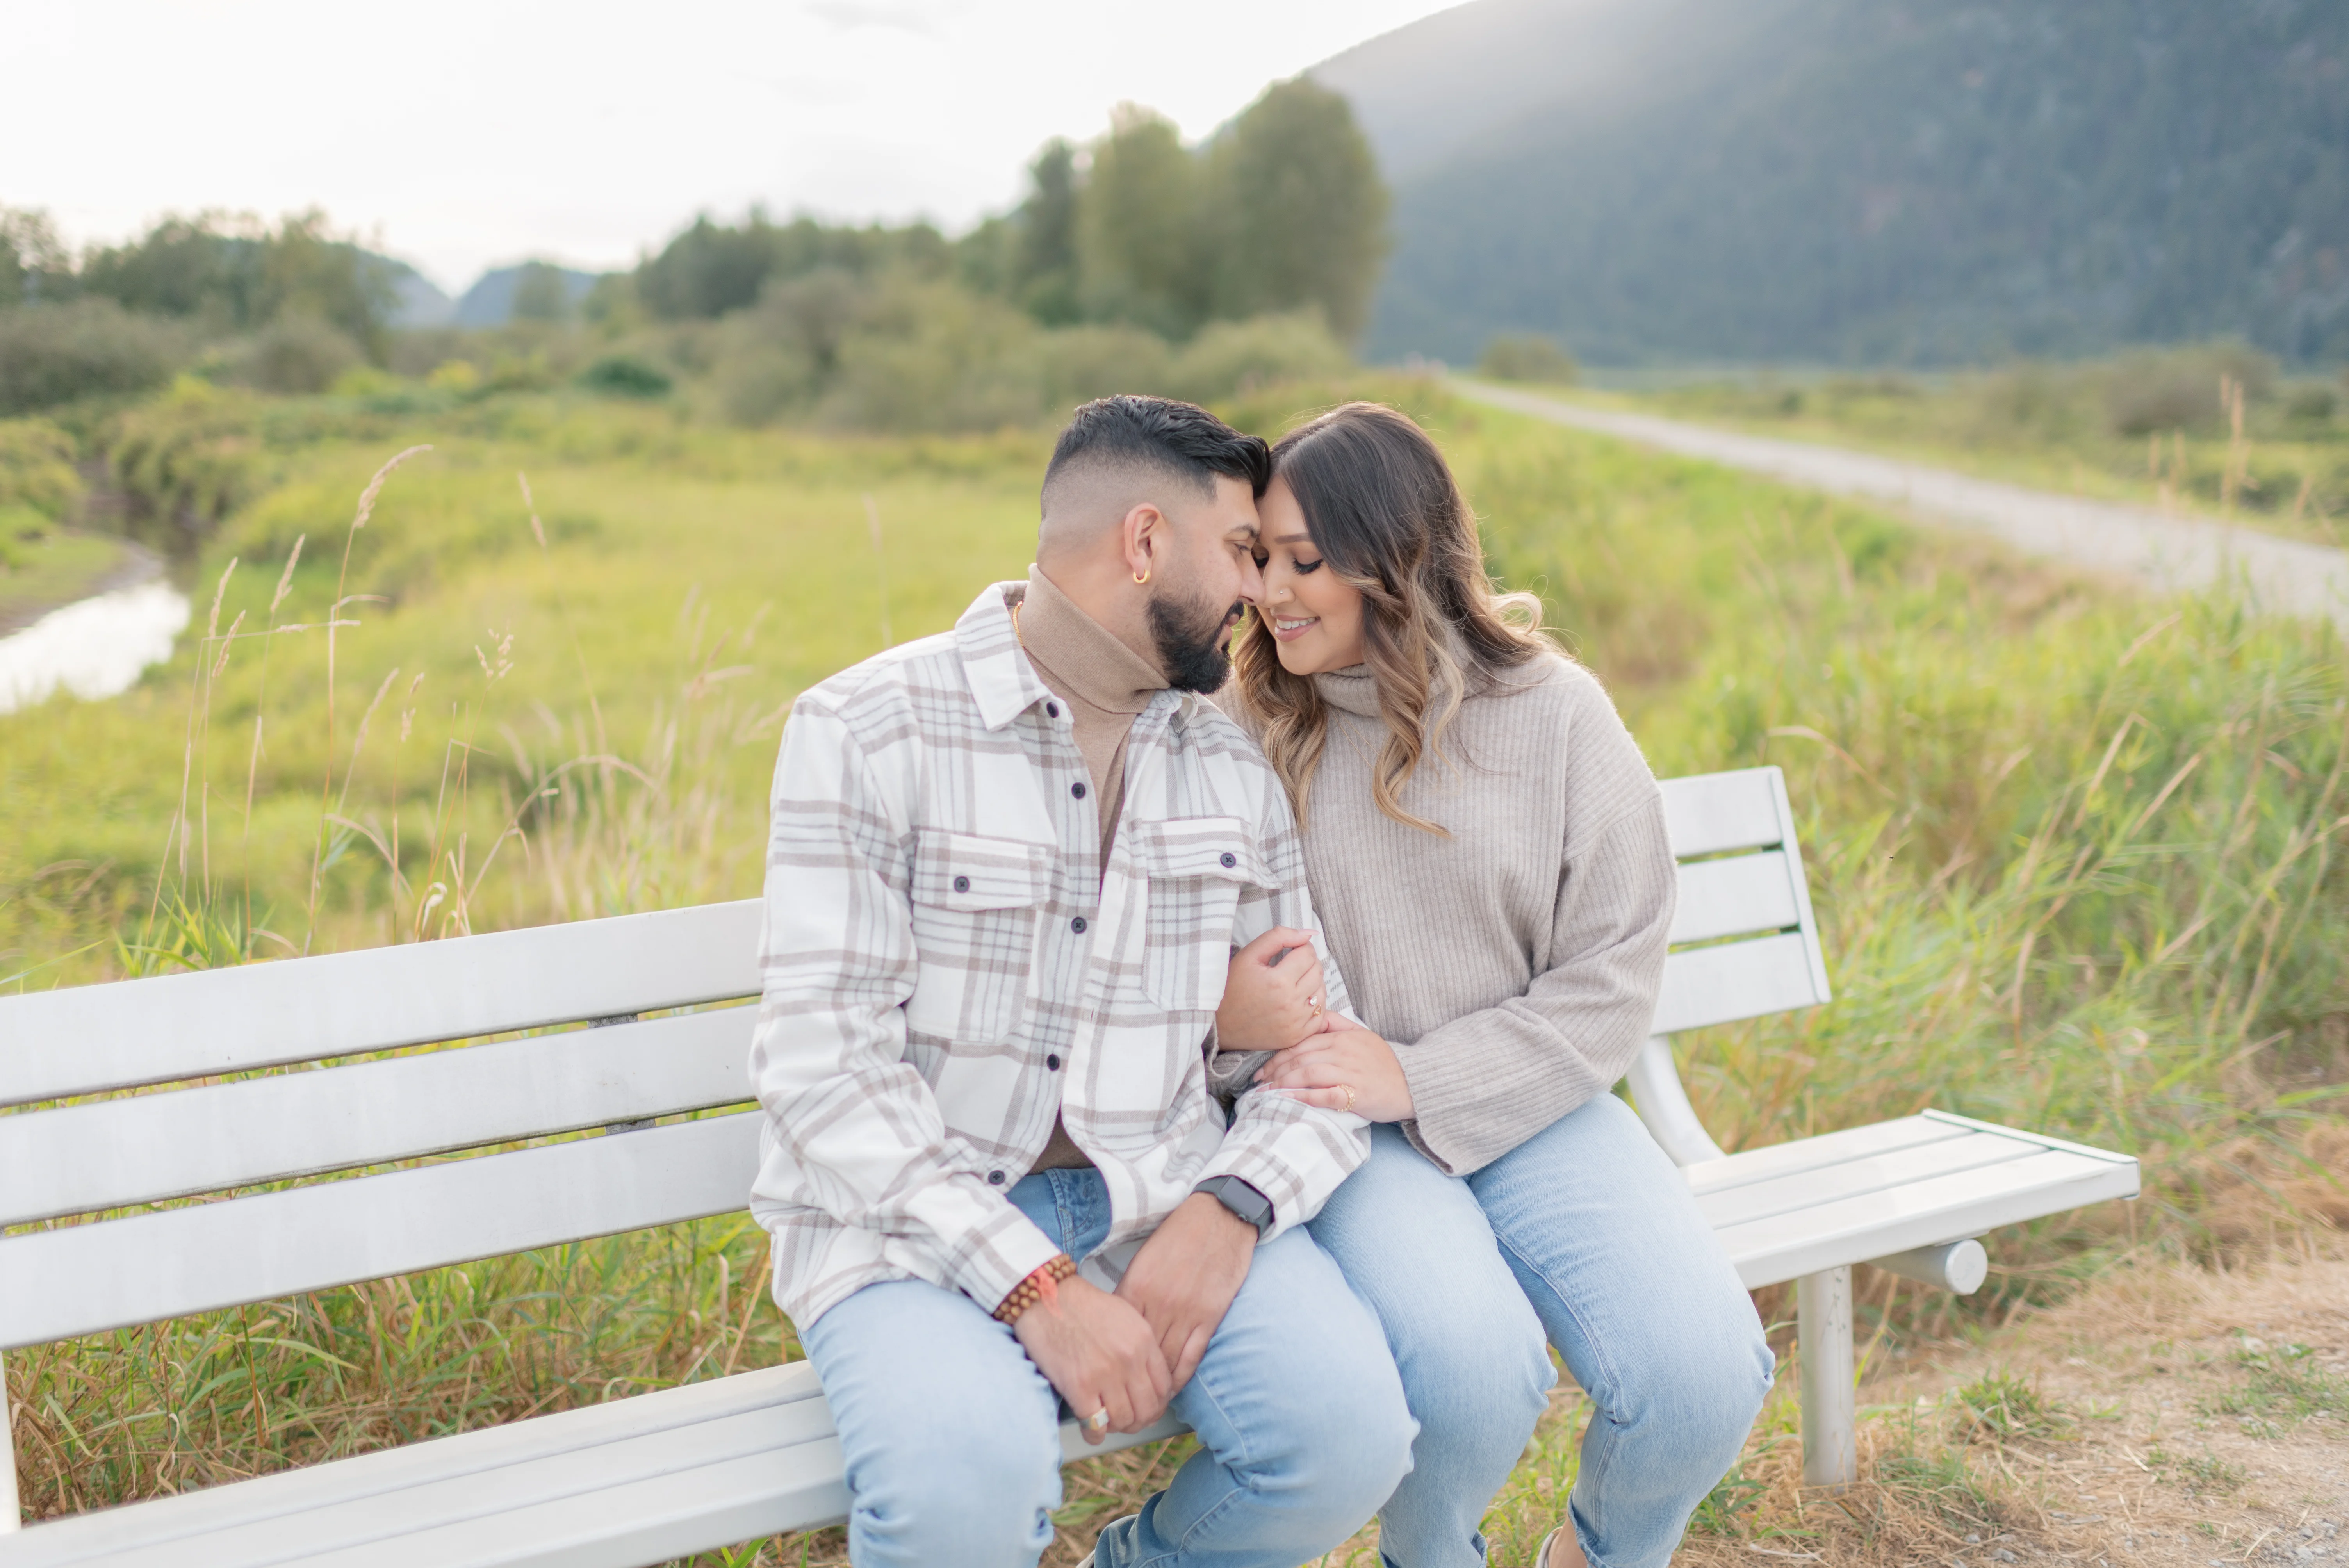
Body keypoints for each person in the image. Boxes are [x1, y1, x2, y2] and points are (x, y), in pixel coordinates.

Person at [748, 394, 1415, 1568]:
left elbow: (1316, 1046)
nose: (1263, 591)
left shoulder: (1226, 763)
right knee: (966, 1495)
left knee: (1348, 1439)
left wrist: (1233, 1206)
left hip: (1158, 1196)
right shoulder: (866, 730)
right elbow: (827, 1076)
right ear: (1145, 543)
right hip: (915, 1226)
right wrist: (1041, 1292)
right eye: (1243, 554)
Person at [1215, 402, 1774, 1568]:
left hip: (1532, 1101)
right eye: (1262, 557)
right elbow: (1194, 969)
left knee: (1701, 1378)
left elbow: (1615, 973)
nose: (1271, 590)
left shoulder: (1555, 714)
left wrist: (1418, 1074)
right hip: (1336, 1128)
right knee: (1472, 1382)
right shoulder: (1244, 729)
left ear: (1399, 558)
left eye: (1308, 562)